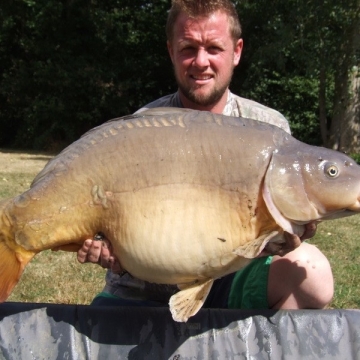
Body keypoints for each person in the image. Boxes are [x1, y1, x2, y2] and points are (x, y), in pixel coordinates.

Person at [77, 0, 334, 310]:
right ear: (171, 51)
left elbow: (274, 239)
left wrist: (288, 234)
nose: (201, 62)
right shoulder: (142, 128)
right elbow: (109, 223)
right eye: (188, 48)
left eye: (214, 48)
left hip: (228, 280)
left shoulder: (269, 128)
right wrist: (109, 250)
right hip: (144, 287)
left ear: (236, 51)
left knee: (313, 272)